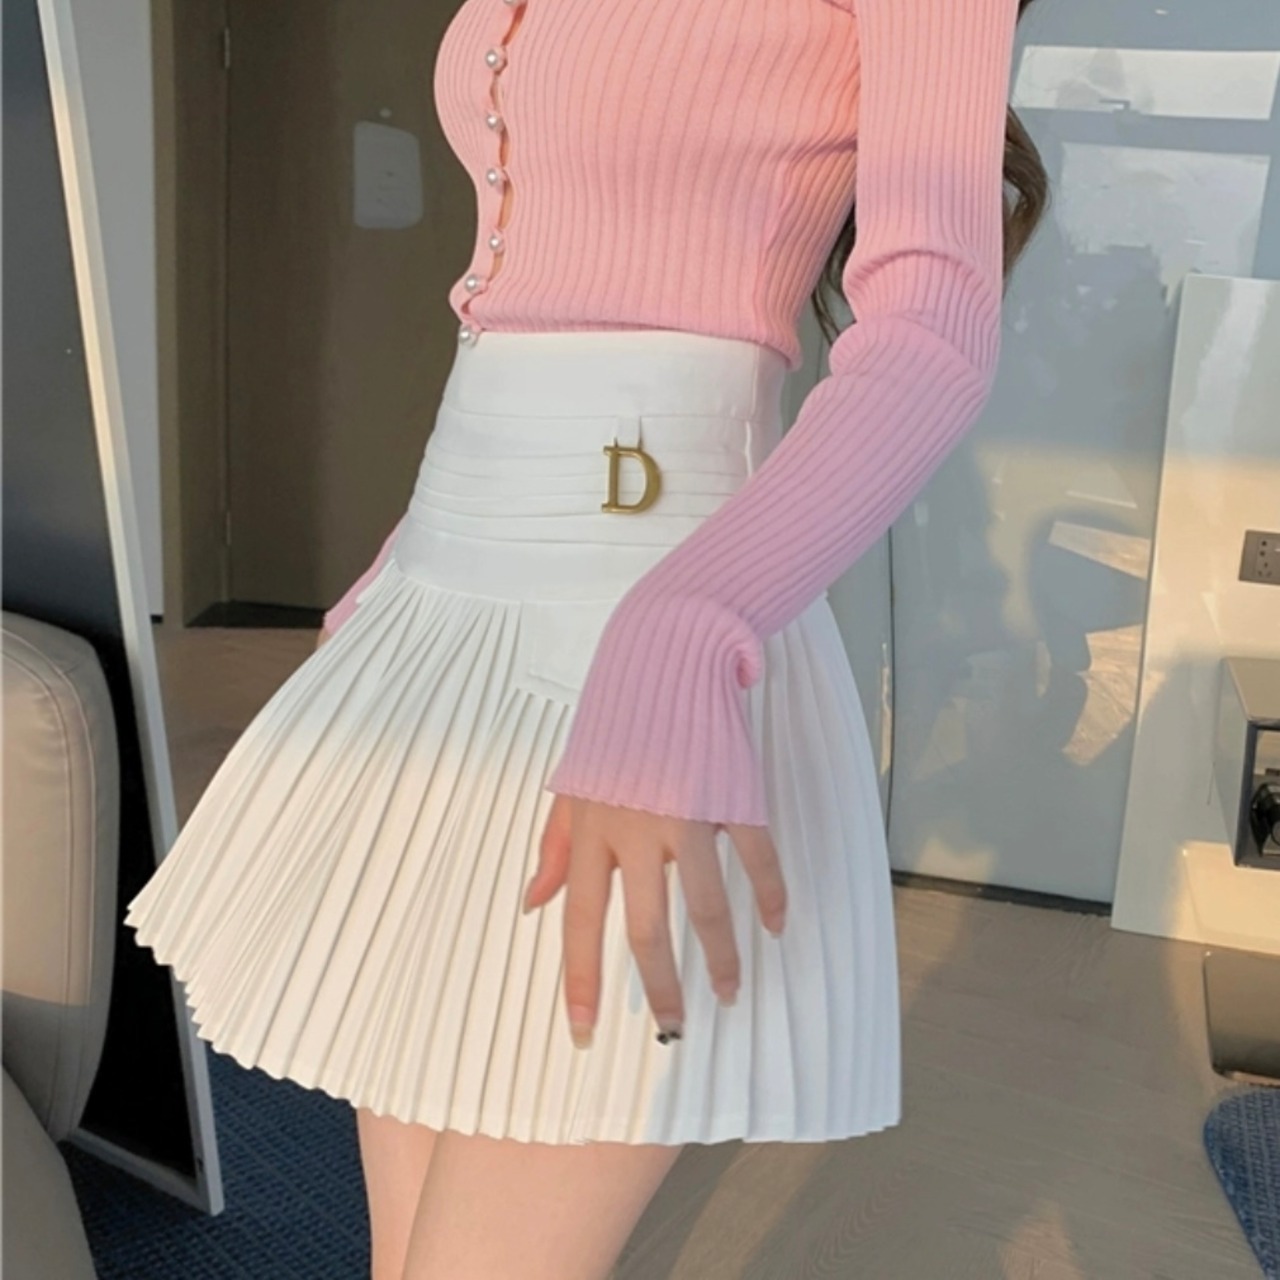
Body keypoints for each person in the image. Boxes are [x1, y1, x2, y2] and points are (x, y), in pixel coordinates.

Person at [126, 0, 1050, 1276]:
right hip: (442, 613)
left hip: (651, 620)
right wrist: (414, 548)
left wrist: (686, 625)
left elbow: (930, 324)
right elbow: (522, 293)